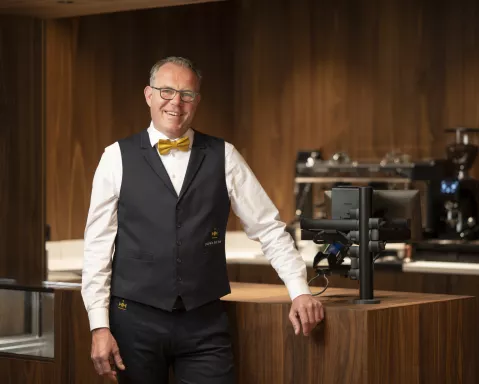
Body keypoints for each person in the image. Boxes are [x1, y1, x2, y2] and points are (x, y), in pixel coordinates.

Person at [81, 56, 324, 383]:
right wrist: (99, 326)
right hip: (133, 322)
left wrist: (299, 290)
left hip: (204, 323)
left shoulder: (224, 155)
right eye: (166, 91)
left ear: (197, 101)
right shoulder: (115, 157)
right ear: (149, 95)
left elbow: (268, 227)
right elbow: (97, 248)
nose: (176, 103)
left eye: (187, 94)